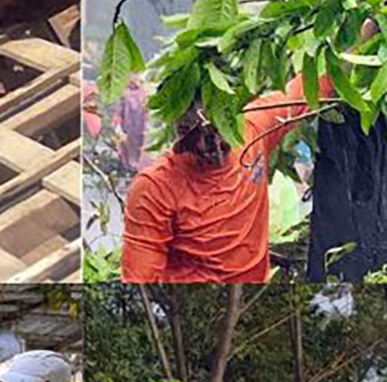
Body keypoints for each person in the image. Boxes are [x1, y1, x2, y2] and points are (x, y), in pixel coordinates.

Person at [122, 76, 328, 282]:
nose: (214, 147)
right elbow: (141, 279)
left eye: (217, 129)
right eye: (196, 134)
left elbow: (310, 86)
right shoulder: (154, 188)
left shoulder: (252, 131)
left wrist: (353, 47)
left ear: (230, 117)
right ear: (179, 130)